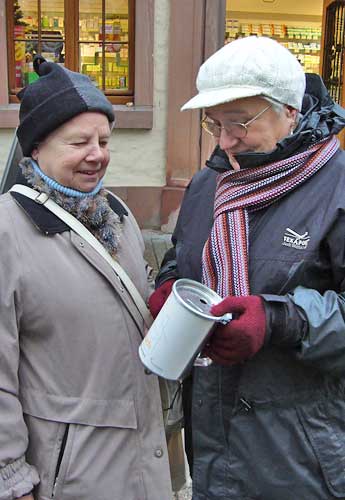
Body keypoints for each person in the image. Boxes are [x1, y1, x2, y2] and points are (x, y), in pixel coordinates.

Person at [149, 35, 345, 499]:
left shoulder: (336, 186)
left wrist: (280, 320)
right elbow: (185, 254)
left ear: (290, 111)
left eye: (240, 121)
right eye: (213, 123)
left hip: (300, 454)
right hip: (212, 436)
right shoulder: (209, 183)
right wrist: (171, 283)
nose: (225, 140)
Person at [0, 56, 173, 500]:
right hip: (71, 477)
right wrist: (11, 479)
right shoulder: (7, 230)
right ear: (36, 148)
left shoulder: (117, 213)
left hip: (141, 460)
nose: (97, 154)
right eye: (79, 142)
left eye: (103, 139)